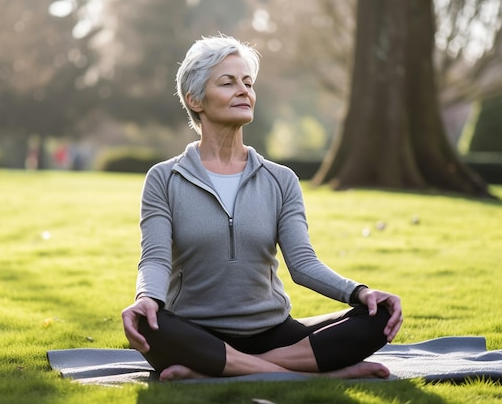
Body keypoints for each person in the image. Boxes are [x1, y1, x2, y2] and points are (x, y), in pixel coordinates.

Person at [121, 34, 403, 381]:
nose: (244, 91)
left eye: (248, 83)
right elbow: (155, 259)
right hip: (195, 331)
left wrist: (360, 292)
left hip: (272, 331)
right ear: (195, 100)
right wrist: (146, 297)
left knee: (377, 314)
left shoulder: (281, 179)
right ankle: (317, 373)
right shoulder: (164, 178)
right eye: (228, 83)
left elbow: (302, 264)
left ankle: (219, 369)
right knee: (147, 322)